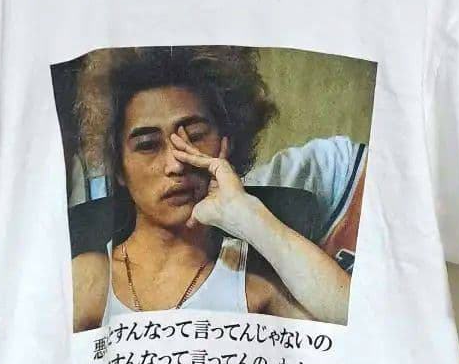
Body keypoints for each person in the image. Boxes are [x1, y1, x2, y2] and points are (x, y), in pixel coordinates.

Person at [70, 47, 356, 332]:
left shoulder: (256, 284)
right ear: (118, 167)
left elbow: (361, 328)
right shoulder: (92, 279)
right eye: (148, 145)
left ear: (226, 143)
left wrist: (247, 214)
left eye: (194, 137)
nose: (176, 164)